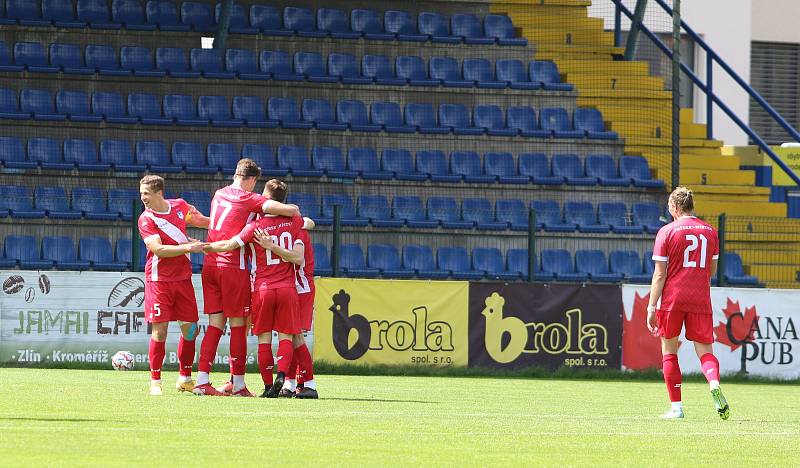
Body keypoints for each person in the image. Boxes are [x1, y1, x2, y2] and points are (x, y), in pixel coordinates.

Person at [193, 159, 299, 397]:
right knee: (238, 325)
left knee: (215, 325)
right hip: (232, 265)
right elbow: (290, 210)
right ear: (251, 180)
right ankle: (239, 384)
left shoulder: (218, 194)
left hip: (210, 264)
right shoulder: (251, 199)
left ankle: (202, 381)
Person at [646, 187, 729, 420]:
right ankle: (713, 382)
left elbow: (659, 275)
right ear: (691, 206)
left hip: (673, 298)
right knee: (705, 350)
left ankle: (677, 408)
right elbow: (711, 270)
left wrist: (652, 307)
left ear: (674, 207)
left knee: (669, 352)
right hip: (700, 297)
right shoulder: (711, 231)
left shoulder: (666, 231)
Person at [137, 175, 209, 396]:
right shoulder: (146, 220)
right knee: (160, 331)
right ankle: (155, 381)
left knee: (191, 329)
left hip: (183, 279)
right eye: (141, 194)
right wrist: (188, 247)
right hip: (159, 281)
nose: (143, 198)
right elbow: (158, 250)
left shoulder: (180, 206)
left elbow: (203, 221)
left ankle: (185, 378)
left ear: (159, 192)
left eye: (146, 194)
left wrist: (232, 223)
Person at [279, 223, 319, 399]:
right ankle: (290, 384)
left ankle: (309, 384)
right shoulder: (290, 229)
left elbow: (298, 259)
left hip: (301, 289)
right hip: (292, 288)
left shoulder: (298, 232)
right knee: (291, 335)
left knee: (296, 336)